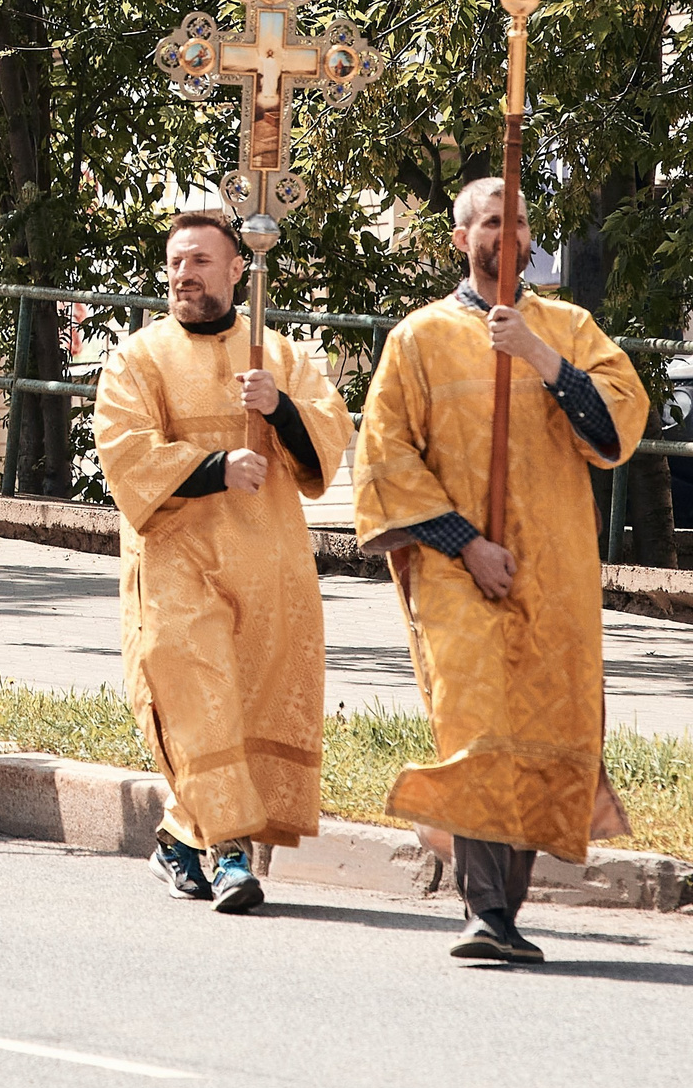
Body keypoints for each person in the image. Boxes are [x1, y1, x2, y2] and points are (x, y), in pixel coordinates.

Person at [353, 177, 647, 963]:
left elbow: (616, 429)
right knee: (479, 730)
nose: (505, 232)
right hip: (460, 570)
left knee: (537, 732)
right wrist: (464, 543)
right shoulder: (417, 339)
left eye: (516, 219)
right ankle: (484, 908)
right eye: (489, 220)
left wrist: (541, 357)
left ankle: (505, 907)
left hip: (554, 575)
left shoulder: (571, 329)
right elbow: (385, 458)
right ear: (461, 238)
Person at [91, 210, 354, 910]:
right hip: (177, 558)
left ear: (238, 269)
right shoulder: (138, 357)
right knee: (198, 700)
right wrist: (212, 465)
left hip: (268, 559)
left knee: (250, 705)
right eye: (176, 262)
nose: (185, 274)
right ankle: (230, 855)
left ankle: (178, 841)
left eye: (201, 261)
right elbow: (123, 447)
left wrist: (280, 409)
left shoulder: (279, 353)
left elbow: (331, 430)